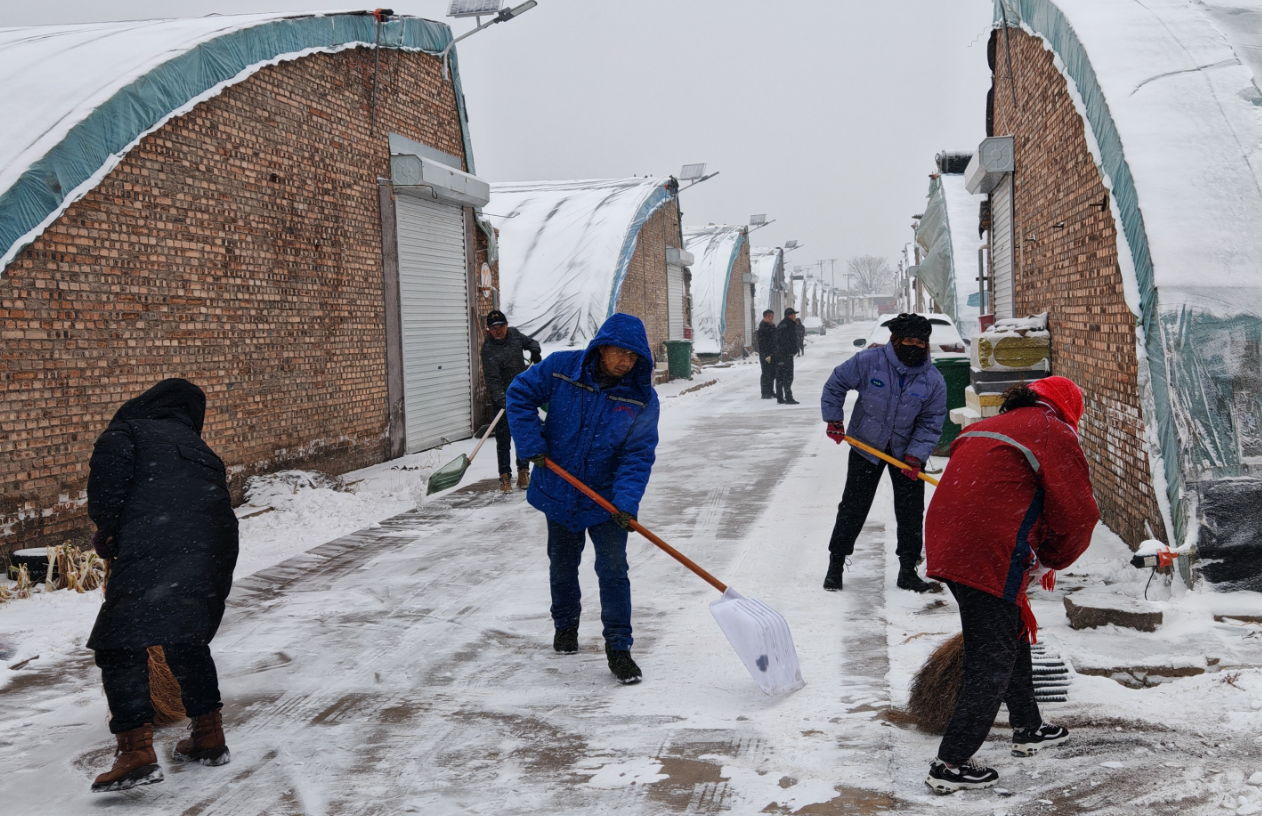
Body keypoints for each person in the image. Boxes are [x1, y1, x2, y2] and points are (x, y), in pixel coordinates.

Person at [922, 377, 1099, 794]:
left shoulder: (985, 426)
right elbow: (1079, 513)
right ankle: (951, 764)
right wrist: (1053, 558)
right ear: (1067, 408)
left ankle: (1028, 726)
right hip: (990, 549)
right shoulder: (1051, 431)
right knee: (993, 659)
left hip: (951, 544)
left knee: (1011, 630)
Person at [86, 379, 238, 792]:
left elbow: (105, 495)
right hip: (213, 550)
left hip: (159, 543)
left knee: (119, 645)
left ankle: (135, 753)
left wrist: (108, 535)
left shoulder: (127, 431)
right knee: (186, 640)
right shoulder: (200, 449)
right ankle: (209, 737)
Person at [506, 313, 660, 685]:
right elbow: (519, 394)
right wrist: (531, 444)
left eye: (633, 356)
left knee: (612, 571)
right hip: (559, 490)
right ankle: (565, 627)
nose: (625, 361)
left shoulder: (640, 398)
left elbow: (636, 456)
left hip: (605, 500)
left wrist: (625, 502)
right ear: (601, 346)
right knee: (561, 564)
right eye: (619, 352)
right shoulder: (561, 369)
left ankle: (619, 648)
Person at [820, 313, 946, 592]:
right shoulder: (869, 363)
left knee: (911, 511)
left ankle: (907, 570)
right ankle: (836, 564)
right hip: (867, 446)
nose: (915, 346)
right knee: (853, 506)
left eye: (920, 342)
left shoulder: (932, 380)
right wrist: (834, 419)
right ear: (895, 340)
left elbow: (931, 421)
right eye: (909, 341)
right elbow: (836, 383)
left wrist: (915, 456)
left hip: (907, 452)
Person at [480, 309, 542, 493]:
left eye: (501, 326)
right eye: (494, 328)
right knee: (503, 439)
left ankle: (523, 471)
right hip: (502, 399)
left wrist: (534, 351)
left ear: (506, 325)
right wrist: (502, 401)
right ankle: (504, 476)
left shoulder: (514, 335)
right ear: (489, 330)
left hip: (521, 394)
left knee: (522, 435)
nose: (498, 331)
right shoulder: (488, 350)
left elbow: (532, 342)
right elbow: (492, 381)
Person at [773, 308, 800, 405]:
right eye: (794, 314)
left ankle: (780, 397)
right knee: (788, 376)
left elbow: (778, 339)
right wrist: (792, 350)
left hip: (779, 354)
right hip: (786, 354)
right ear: (790, 315)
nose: (795, 316)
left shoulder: (781, 324)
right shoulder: (790, 325)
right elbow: (791, 339)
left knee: (780, 376)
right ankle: (788, 397)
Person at [756, 309, 777, 399]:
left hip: (773, 353)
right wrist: (765, 355)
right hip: (765, 355)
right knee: (766, 374)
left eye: (771, 316)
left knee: (772, 373)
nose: (770, 318)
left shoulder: (772, 326)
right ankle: (765, 393)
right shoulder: (762, 328)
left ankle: (771, 391)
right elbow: (762, 343)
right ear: (764, 317)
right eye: (768, 316)